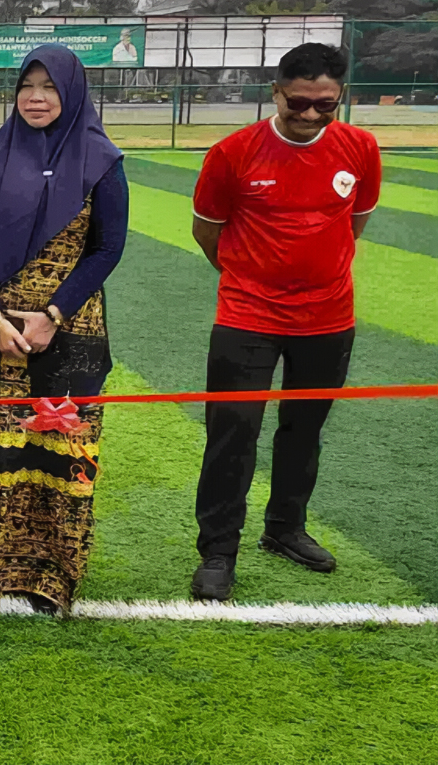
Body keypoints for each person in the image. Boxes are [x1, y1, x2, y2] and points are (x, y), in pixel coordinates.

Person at [0, 44, 126, 615]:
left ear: (72, 94)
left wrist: (53, 315)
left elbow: (106, 249)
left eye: (50, 87)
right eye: (28, 86)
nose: (37, 98)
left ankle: (47, 574)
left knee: (55, 445)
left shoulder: (101, 160)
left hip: (67, 333)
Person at [188, 42, 379, 601]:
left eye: (326, 103)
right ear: (276, 92)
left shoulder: (360, 148)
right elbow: (208, 232)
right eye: (299, 102)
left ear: (340, 96)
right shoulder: (233, 152)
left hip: (328, 318)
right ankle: (219, 551)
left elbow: (355, 220)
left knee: (304, 429)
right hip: (246, 315)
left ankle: (285, 529)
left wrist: (315, 276)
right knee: (233, 434)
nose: (312, 114)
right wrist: (253, 279)